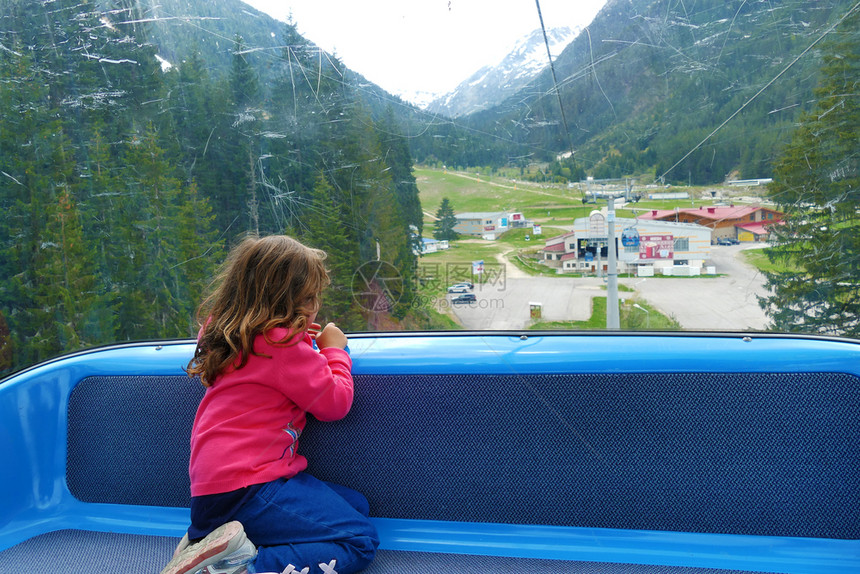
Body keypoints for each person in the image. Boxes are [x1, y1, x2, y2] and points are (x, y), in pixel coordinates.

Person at [159, 235, 379, 574]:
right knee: (359, 539)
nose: (315, 306)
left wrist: (300, 338)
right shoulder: (281, 346)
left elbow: (271, 362)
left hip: (213, 495)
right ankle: (242, 568)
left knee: (356, 506)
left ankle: (214, 544)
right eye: (308, 298)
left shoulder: (226, 334)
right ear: (283, 302)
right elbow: (335, 403)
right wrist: (334, 350)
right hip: (250, 489)